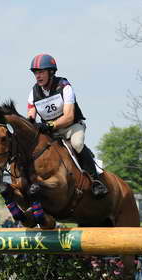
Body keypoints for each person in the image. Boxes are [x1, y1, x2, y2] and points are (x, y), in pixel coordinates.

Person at [27, 53, 108, 198]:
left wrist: (50, 125)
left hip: (71, 127)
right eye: (36, 73)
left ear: (51, 72)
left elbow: (69, 117)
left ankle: (95, 180)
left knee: (77, 144)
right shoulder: (33, 92)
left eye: (41, 72)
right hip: (51, 132)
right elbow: (31, 116)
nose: (38, 76)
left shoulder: (64, 86)